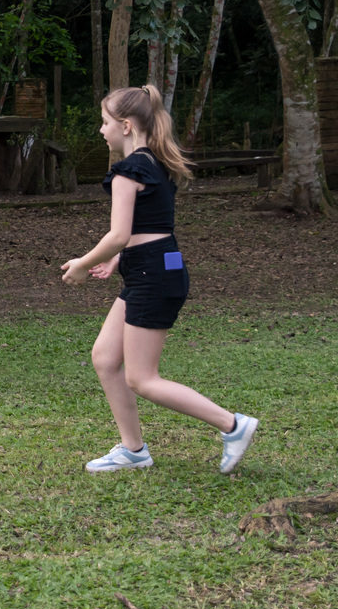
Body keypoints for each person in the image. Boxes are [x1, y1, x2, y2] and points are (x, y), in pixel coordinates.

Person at [60, 84, 258, 474]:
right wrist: (118, 259)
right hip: (154, 269)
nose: (101, 130)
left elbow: (119, 233)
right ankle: (133, 450)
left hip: (153, 275)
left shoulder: (127, 171)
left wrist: (83, 263)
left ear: (126, 126)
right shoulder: (154, 163)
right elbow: (150, 226)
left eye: (104, 122)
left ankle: (232, 425)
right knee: (105, 358)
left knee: (142, 378)